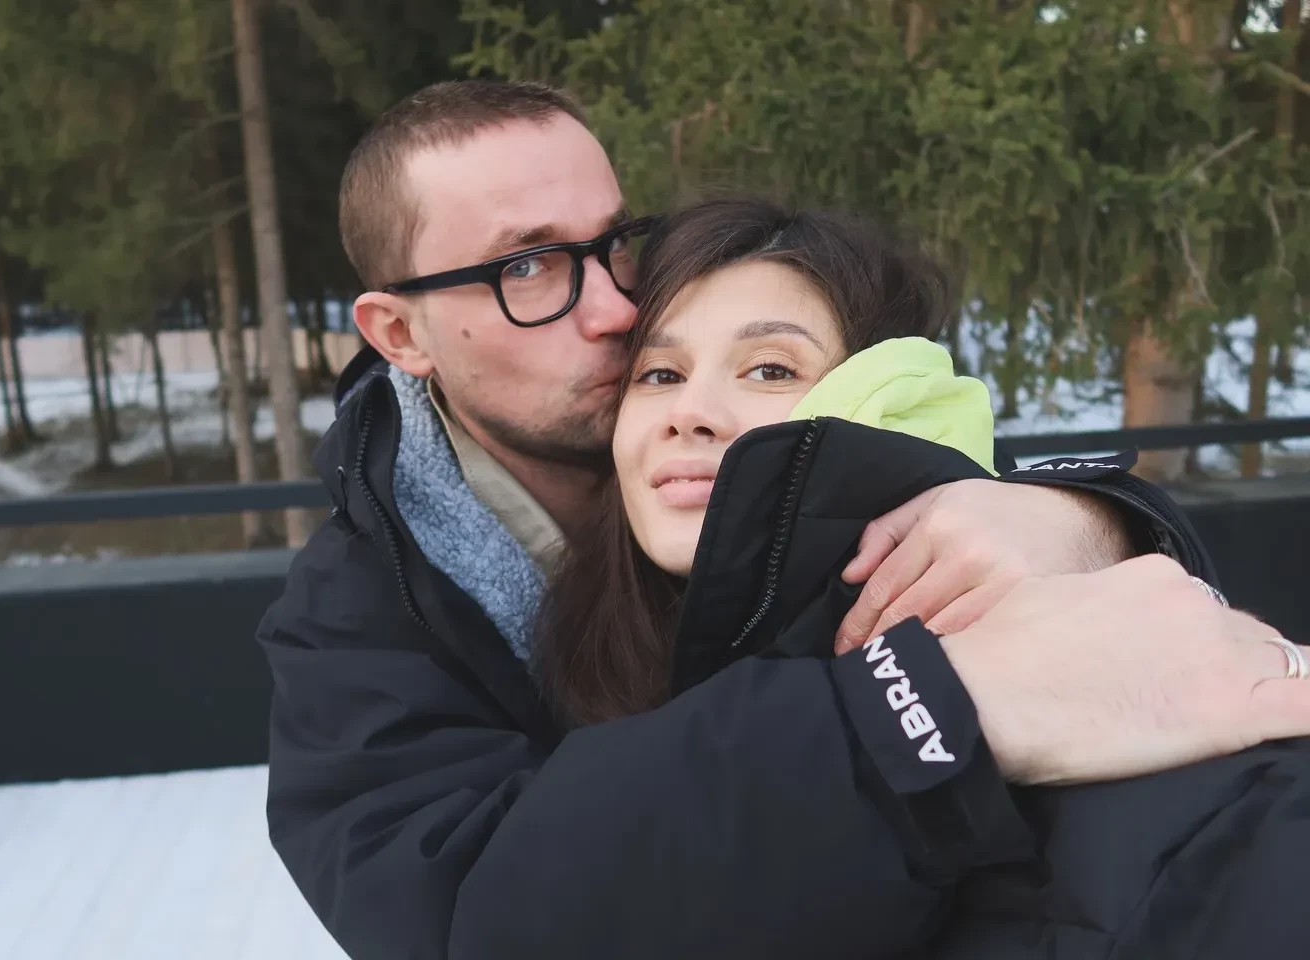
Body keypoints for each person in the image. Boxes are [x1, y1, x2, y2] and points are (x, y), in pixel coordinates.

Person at [254, 80, 1269, 960]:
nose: (614, 308)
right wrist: (930, 712)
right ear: (400, 332)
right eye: (526, 267)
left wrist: (1087, 521)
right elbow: (473, 920)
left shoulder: (759, 459)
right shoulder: (353, 628)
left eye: (615, 243)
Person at [535, 198, 1310, 958]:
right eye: (659, 373)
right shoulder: (574, 681)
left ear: (889, 403)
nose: (690, 411)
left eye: (770, 368)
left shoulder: (1182, 777)